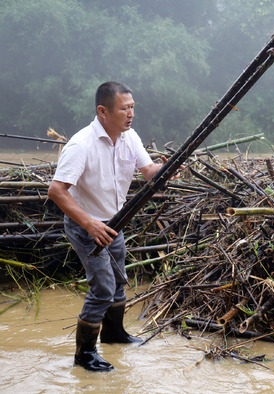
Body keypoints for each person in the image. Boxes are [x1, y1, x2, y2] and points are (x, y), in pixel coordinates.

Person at [48, 82, 174, 372]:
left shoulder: (129, 137)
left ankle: (114, 335)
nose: (130, 114)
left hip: (116, 222)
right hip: (86, 226)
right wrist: (89, 223)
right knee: (103, 287)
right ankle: (84, 355)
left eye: (132, 108)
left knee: (118, 281)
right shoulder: (81, 144)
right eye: (124, 108)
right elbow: (56, 191)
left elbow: (148, 171)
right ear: (102, 111)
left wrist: (165, 168)